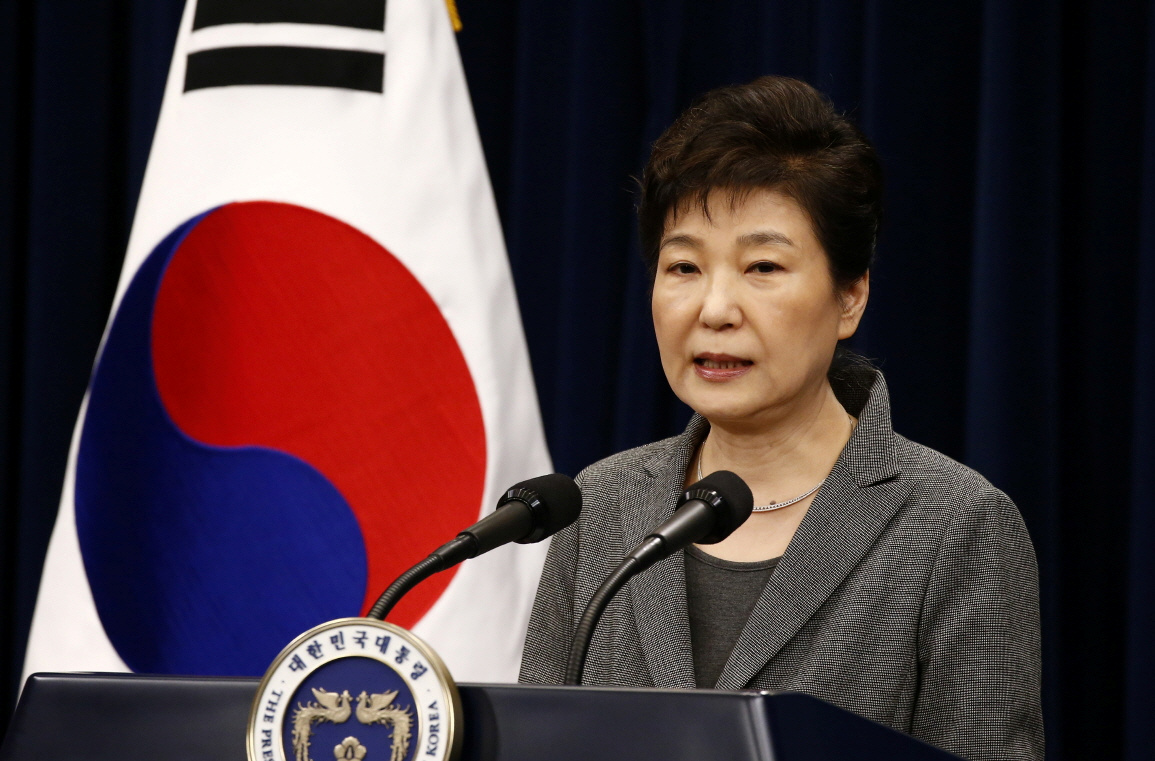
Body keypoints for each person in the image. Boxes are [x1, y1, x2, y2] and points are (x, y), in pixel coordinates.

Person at [518, 75, 1044, 761]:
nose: (714, 309)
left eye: (761, 266)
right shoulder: (599, 506)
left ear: (849, 295)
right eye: (682, 267)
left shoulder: (954, 524)